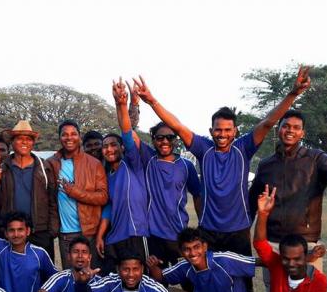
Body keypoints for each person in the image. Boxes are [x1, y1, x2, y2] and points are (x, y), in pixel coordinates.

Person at [132, 68, 310, 269]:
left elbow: (268, 122)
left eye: (227, 130)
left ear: (235, 131)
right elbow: (178, 126)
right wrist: (152, 101)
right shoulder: (204, 149)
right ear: (211, 131)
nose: (222, 134)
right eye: (218, 129)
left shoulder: (243, 148)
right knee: (208, 279)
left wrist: (293, 93)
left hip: (238, 230)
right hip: (208, 232)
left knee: (240, 282)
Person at [249, 109, 327, 272]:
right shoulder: (266, 165)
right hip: (274, 244)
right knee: (274, 287)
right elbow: (251, 202)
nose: (290, 131)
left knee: (309, 286)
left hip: (306, 243)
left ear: (302, 133)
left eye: (296, 127)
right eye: (286, 126)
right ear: (278, 129)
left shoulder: (315, 158)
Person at [112, 78, 201, 270]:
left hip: (179, 235)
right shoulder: (148, 159)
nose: (165, 141)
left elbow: (198, 195)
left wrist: (201, 226)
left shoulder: (186, 166)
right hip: (153, 235)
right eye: (160, 138)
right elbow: (127, 132)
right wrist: (123, 104)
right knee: (157, 280)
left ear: (176, 140)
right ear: (153, 140)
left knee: (189, 279)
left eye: (170, 137)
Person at [95, 81, 149, 275]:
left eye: (113, 145)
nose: (109, 149)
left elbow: (126, 132)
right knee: (115, 280)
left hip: (136, 233)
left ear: (122, 148)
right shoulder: (107, 175)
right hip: (114, 237)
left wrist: (121, 103)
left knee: (140, 279)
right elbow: (109, 208)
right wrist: (100, 235)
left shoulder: (132, 163)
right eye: (105, 146)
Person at [0, 120, 58, 259]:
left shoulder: (44, 167)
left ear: (33, 143)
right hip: (12, 232)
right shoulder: (3, 169)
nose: (24, 142)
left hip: (39, 231)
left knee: (42, 269)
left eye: (28, 139)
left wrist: (51, 231)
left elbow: (52, 200)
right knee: (13, 268)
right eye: (20, 138)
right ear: (12, 142)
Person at [47, 120, 108, 268]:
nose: (69, 138)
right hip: (65, 233)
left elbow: (103, 197)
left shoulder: (94, 164)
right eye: (64, 134)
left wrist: (75, 192)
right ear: (59, 137)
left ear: (79, 137)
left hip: (89, 231)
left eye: (73, 134)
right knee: (71, 276)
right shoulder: (51, 163)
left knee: (92, 275)